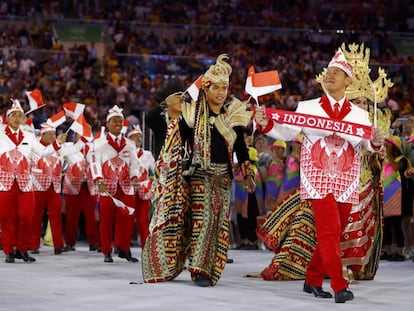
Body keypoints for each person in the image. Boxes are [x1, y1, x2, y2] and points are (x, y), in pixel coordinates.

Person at [255, 48, 384, 303]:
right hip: (318, 179)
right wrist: (266, 123)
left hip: (347, 181)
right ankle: (339, 285)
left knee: (333, 232)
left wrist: (377, 141)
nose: (330, 76)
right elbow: (288, 132)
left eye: (337, 73)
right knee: (329, 230)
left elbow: (369, 143)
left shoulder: (359, 114)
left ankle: (312, 279)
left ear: (348, 81)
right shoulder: (308, 107)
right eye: (328, 72)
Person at [143, 54, 254, 287]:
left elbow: (241, 146)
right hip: (199, 175)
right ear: (206, 88)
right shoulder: (191, 114)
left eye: (225, 87)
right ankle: (198, 270)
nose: (221, 92)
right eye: (216, 87)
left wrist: (248, 171)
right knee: (203, 221)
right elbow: (174, 139)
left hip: (224, 177)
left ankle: (210, 267)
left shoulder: (233, 112)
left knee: (218, 224)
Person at [0, 100, 67, 263]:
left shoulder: (29, 136)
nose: (16, 117)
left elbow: (43, 152)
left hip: (25, 183)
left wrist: (57, 143)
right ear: (7, 118)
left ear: (23, 119)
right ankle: (9, 250)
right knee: (7, 218)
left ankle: (22, 249)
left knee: (26, 216)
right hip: (5, 182)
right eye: (13, 115)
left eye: (19, 115)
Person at [90, 105, 140, 263]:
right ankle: (106, 250)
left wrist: (135, 177)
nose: (118, 123)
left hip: (126, 186)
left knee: (127, 218)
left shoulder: (129, 144)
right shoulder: (99, 143)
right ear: (108, 123)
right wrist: (98, 179)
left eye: (120, 120)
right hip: (107, 187)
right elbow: (94, 163)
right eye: (114, 121)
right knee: (106, 219)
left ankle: (124, 248)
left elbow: (134, 164)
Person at [62, 132, 99, 252]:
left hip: (88, 185)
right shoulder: (68, 146)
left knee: (90, 216)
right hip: (72, 184)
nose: (83, 135)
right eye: (80, 133)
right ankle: (69, 243)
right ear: (75, 135)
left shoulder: (93, 148)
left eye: (86, 133)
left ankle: (93, 242)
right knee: (71, 215)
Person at [126, 124, 155, 248]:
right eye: (135, 137)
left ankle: (146, 245)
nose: (138, 139)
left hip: (143, 190)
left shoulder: (147, 154)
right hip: (129, 189)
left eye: (140, 137)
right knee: (128, 218)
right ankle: (124, 245)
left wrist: (152, 178)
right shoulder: (125, 153)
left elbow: (155, 170)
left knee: (143, 219)